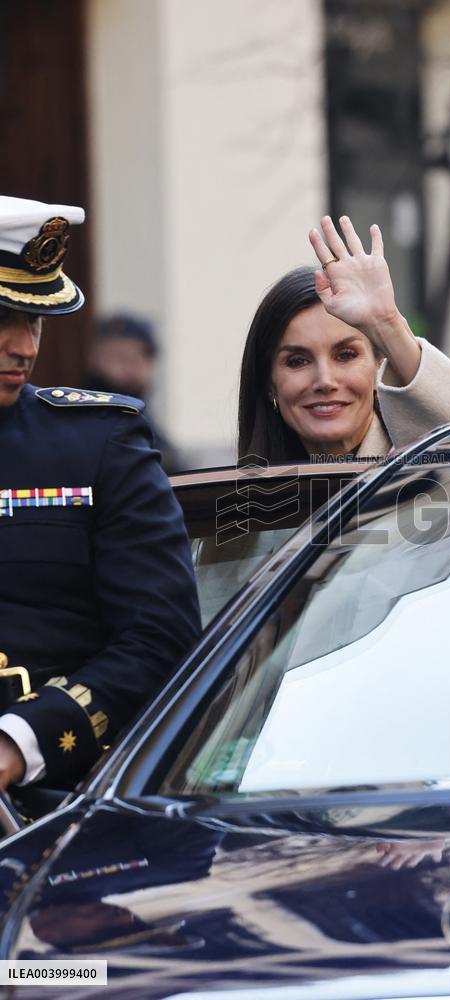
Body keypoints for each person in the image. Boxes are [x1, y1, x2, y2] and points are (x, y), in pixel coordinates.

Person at [0, 196, 201, 791]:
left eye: (33, 320)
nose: (25, 347)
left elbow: (160, 638)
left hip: (49, 804)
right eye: (1, 318)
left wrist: (17, 746)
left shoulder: (99, 442)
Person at [238, 215, 450, 463]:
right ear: (269, 383)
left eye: (346, 355)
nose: (325, 381)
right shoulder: (240, 504)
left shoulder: (426, 466)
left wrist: (388, 324)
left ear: (378, 367)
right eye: (297, 361)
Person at [81, 313, 181, 473]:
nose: (131, 367)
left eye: (140, 357)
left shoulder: (143, 416)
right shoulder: (82, 416)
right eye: (120, 356)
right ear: (94, 358)